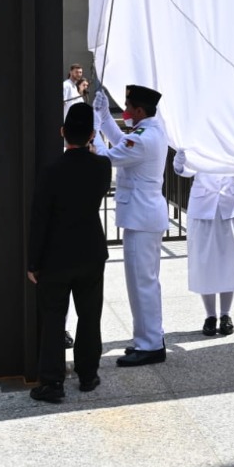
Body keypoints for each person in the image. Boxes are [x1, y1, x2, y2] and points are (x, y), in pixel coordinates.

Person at [26, 102, 111, 403]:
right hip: (90, 251)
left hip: (55, 255)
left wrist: (33, 261)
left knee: (53, 318)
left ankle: (51, 381)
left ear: (62, 133)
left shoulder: (51, 170)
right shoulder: (102, 167)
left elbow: (39, 218)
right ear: (91, 134)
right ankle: (88, 373)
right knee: (90, 316)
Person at [91, 84, 169, 367]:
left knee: (142, 283)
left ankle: (150, 345)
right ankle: (147, 338)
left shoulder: (144, 139)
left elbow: (106, 156)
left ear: (139, 111)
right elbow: (120, 140)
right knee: (143, 282)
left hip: (141, 216)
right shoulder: (148, 130)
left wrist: (95, 125)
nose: (125, 110)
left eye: (128, 107)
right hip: (143, 214)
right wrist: (103, 116)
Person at [172, 150, 234, 336]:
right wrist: (179, 163)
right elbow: (186, 170)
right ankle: (210, 316)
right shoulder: (197, 140)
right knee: (204, 263)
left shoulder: (232, 141)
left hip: (229, 206)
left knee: (230, 262)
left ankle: (226, 314)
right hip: (203, 206)